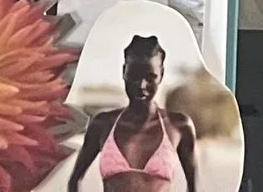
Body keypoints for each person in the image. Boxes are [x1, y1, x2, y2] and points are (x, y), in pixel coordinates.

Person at [68, 32, 199, 191]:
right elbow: (75, 181)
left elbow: (193, 188)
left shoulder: (179, 126)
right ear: (124, 71)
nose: (141, 85)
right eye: (134, 75)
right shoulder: (103, 124)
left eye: (150, 77)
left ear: (162, 75)